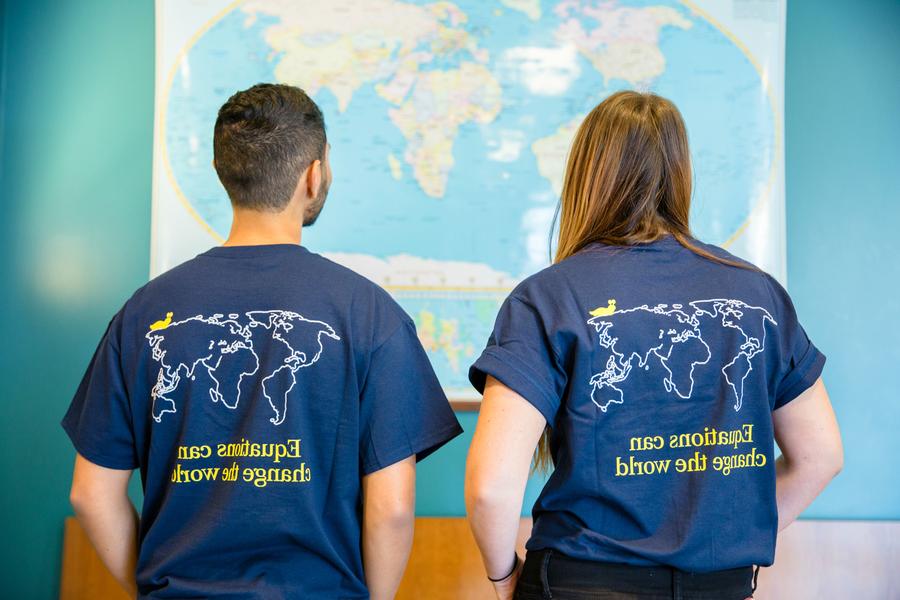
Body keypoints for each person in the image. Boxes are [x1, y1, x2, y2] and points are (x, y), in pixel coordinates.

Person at [63, 83, 462, 600]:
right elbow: (392, 510)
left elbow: (92, 494)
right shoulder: (370, 314)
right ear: (314, 176)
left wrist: (152, 588)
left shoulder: (143, 315)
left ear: (222, 171)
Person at [464, 91, 842, 600]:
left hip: (581, 582)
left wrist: (501, 576)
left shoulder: (547, 297)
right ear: (681, 174)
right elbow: (820, 457)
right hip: (720, 587)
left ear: (585, 176)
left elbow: (490, 489)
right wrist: (727, 540)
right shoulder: (757, 295)